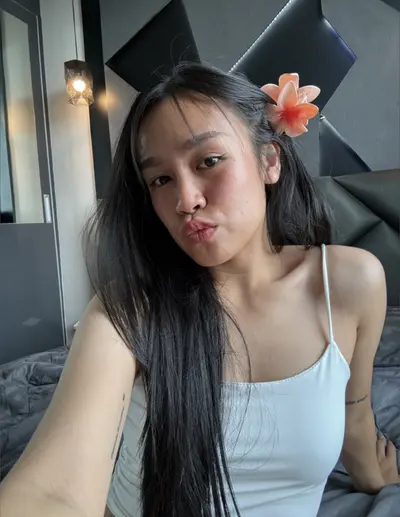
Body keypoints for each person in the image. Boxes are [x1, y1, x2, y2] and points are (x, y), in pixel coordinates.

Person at [0, 63, 398, 517]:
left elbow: (354, 411)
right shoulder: (128, 312)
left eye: (208, 161)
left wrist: (374, 475)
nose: (185, 201)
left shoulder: (350, 284)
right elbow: (55, 490)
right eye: (160, 180)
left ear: (270, 161)